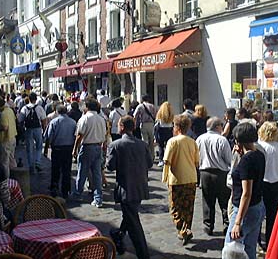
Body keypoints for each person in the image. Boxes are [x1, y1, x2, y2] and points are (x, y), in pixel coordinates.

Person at [106, 115, 152, 258]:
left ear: (121, 127)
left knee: (134, 223)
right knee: (129, 216)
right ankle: (119, 235)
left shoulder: (116, 145)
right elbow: (150, 163)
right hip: (140, 186)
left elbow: (110, 166)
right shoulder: (142, 145)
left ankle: (143, 253)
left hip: (126, 187)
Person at [224, 123, 266, 259]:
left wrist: (237, 222)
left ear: (238, 141)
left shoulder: (246, 161)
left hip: (245, 210)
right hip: (258, 206)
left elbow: (246, 193)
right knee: (249, 248)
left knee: (230, 248)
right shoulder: (259, 155)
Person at [162, 114, 199, 245]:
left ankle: (182, 230)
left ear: (177, 127)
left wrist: (165, 177)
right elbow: (196, 161)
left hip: (176, 179)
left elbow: (166, 161)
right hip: (191, 178)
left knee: (175, 207)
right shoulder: (192, 142)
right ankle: (186, 228)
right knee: (188, 207)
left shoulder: (173, 141)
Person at [196, 117, 232, 236]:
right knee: (224, 201)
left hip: (205, 173)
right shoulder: (222, 140)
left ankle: (208, 225)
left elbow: (197, 157)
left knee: (207, 200)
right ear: (217, 127)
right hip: (221, 173)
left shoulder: (200, 139)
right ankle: (227, 224)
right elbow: (229, 159)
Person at [71, 98, 106, 208]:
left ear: (87, 107)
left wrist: (74, 149)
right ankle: (98, 198)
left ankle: (78, 194)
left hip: (87, 147)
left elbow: (79, 135)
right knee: (97, 174)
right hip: (98, 147)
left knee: (82, 172)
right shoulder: (101, 119)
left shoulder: (85, 118)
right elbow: (104, 135)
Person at [257, 121, 278, 249]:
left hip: (262, 182)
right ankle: (270, 241)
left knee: (258, 214)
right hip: (277, 183)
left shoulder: (260, 146)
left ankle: (257, 239)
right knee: (272, 215)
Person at [46, 105, 77, 199]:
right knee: (66, 170)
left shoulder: (54, 121)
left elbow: (49, 136)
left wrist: (47, 147)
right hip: (68, 148)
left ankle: (54, 188)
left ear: (57, 112)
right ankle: (65, 190)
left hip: (57, 148)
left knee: (55, 169)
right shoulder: (73, 122)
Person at [18, 92, 47, 174]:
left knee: (29, 148)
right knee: (39, 146)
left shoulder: (24, 108)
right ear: (36, 99)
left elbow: (20, 120)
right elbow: (44, 120)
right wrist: (44, 130)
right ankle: (38, 161)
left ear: (29, 99)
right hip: (37, 128)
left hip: (28, 129)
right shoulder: (39, 108)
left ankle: (31, 166)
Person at [0, 96, 17, 178]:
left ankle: (6, 181)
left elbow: (4, 127)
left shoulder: (3, 113)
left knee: (4, 163)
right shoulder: (10, 110)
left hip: (5, 140)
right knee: (11, 160)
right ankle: (15, 177)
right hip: (12, 137)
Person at [133, 94, 156, 159]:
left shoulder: (140, 106)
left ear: (142, 99)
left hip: (143, 124)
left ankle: (145, 155)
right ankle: (152, 156)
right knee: (151, 140)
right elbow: (155, 115)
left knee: (145, 140)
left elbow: (135, 116)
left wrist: (134, 124)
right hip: (151, 124)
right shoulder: (152, 106)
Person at [154, 101, 174, 167]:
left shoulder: (160, 114)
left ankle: (161, 160)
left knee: (160, 146)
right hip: (169, 130)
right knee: (168, 146)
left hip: (161, 130)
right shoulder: (171, 114)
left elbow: (157, 123)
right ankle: (169, 158)